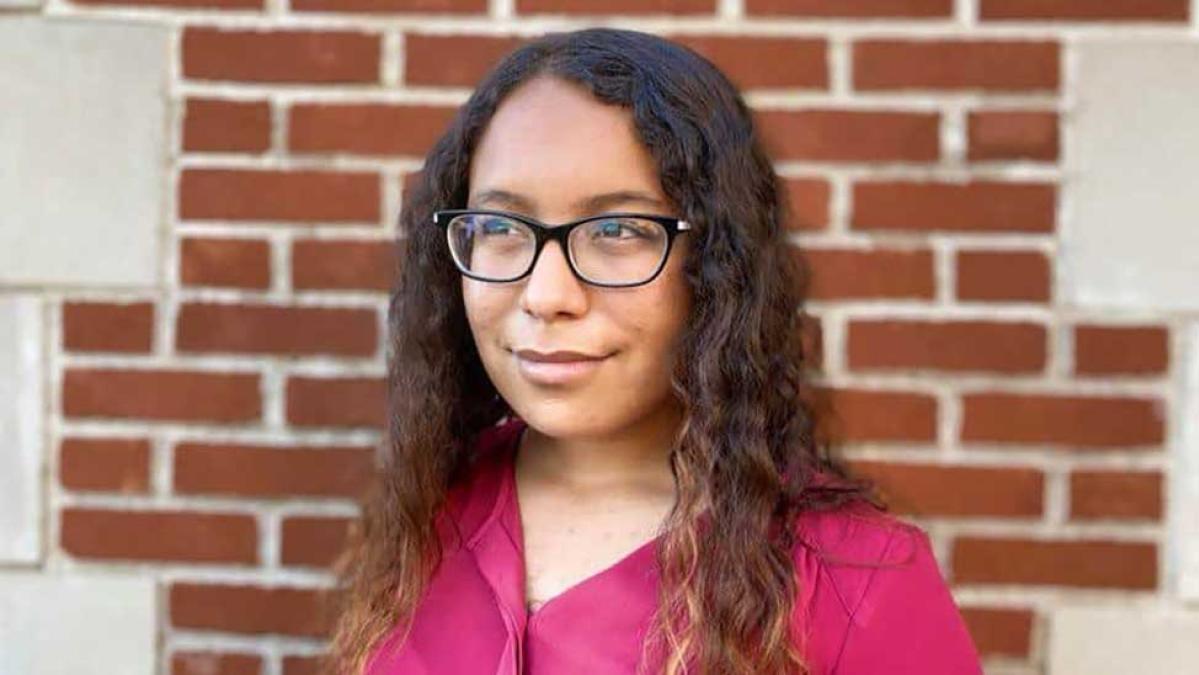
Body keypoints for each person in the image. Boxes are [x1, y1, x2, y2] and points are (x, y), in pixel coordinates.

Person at [325, 26, 983, 675]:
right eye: (499, 226)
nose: (546, 293)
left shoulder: (853, 580)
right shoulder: (428, 511)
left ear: (717, 265)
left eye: (618, 229)